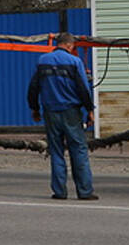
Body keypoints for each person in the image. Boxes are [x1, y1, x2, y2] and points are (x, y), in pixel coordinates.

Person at [27, 32, 97, 200]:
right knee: (78, 150)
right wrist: (90, 110)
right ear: (69, 45)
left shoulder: (43, 61)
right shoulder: (75, 62)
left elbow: (33, 88)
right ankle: (85, 191)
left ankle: (59, 192)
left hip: (50, 112)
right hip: (71, 112)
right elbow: (82, 88)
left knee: (56, 151)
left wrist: (35, 109)